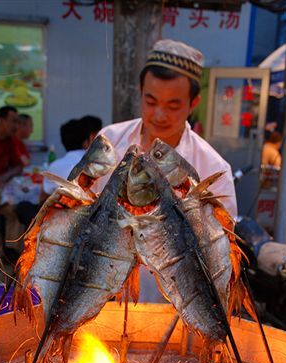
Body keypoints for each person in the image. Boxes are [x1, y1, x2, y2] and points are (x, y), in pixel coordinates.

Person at [97, 38, 237, 301]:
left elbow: (222, 254)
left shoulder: (212, 168)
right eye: (150, 101)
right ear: (140, 92)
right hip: (106, 295)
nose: (159, 115)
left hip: (175, 306)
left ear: (193, 103)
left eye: (173, 106)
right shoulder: (110, 143)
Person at [16, 115, 103, 226]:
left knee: (23, 207)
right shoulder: (96, 164)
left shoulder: (55, 165)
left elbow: (43, 197)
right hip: (90, 220)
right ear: (87, 140)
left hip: (60, 221)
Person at [0, 106, 25, 263]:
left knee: (16, 210)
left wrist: (5, 176)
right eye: (13, 121)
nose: (16, 125)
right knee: (13, 198)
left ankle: (11, 252)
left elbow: (19, 166)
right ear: (1, 121)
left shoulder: (11, 141)